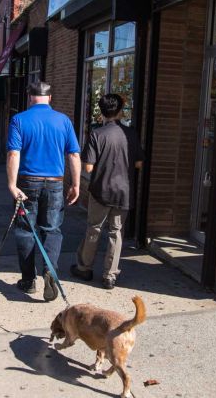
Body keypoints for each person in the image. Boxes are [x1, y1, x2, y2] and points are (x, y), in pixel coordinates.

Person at [7, 81, 81, 302]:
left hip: (28, 182)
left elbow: (13, 154)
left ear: (30, 97)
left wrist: (12, 184)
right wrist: (76, 184)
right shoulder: (63, 121)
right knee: (52, 229)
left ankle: (29, 280)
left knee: (25, 230)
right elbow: (73, 155)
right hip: (55, 183)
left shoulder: (19, 120)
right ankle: (50, 270)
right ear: (50, 98)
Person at [70, 94, 143, 289]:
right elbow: (138, 163)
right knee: (116, 232)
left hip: (100, 190)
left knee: (94, 228)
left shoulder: (97, 134)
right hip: (124, 190)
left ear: (101, 112)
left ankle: (84, 267)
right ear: (120, 111)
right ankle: (110, 275)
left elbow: (88, 167)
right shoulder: (131, 134)